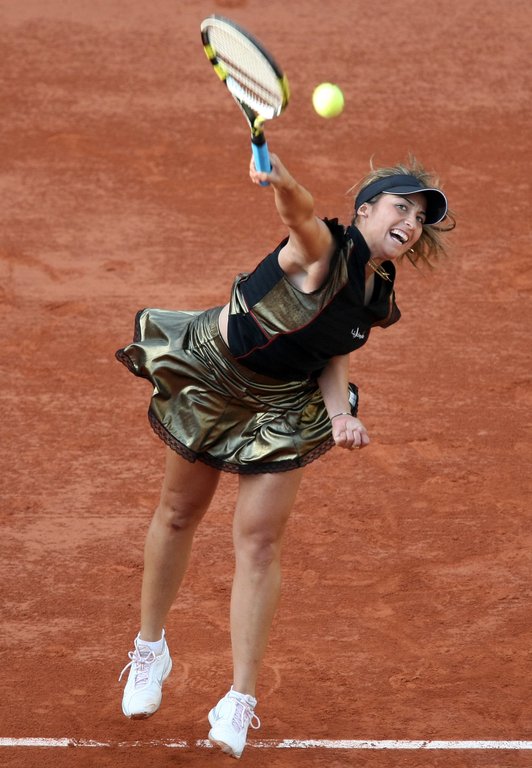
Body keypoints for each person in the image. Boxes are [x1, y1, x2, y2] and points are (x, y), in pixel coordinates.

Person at [116, 150, 454, 759]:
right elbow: (299, 214)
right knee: (179, 512)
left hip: (282, 404)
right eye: (400, 207)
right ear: (365, 210)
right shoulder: (322, 248)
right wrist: (281, 179)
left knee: (260, 542)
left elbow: (332, 347)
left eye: (420, 218)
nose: (410, 223)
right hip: (214, 377)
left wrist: (340, 413)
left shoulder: (376, 290)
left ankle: (239, 699)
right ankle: (150, 649)